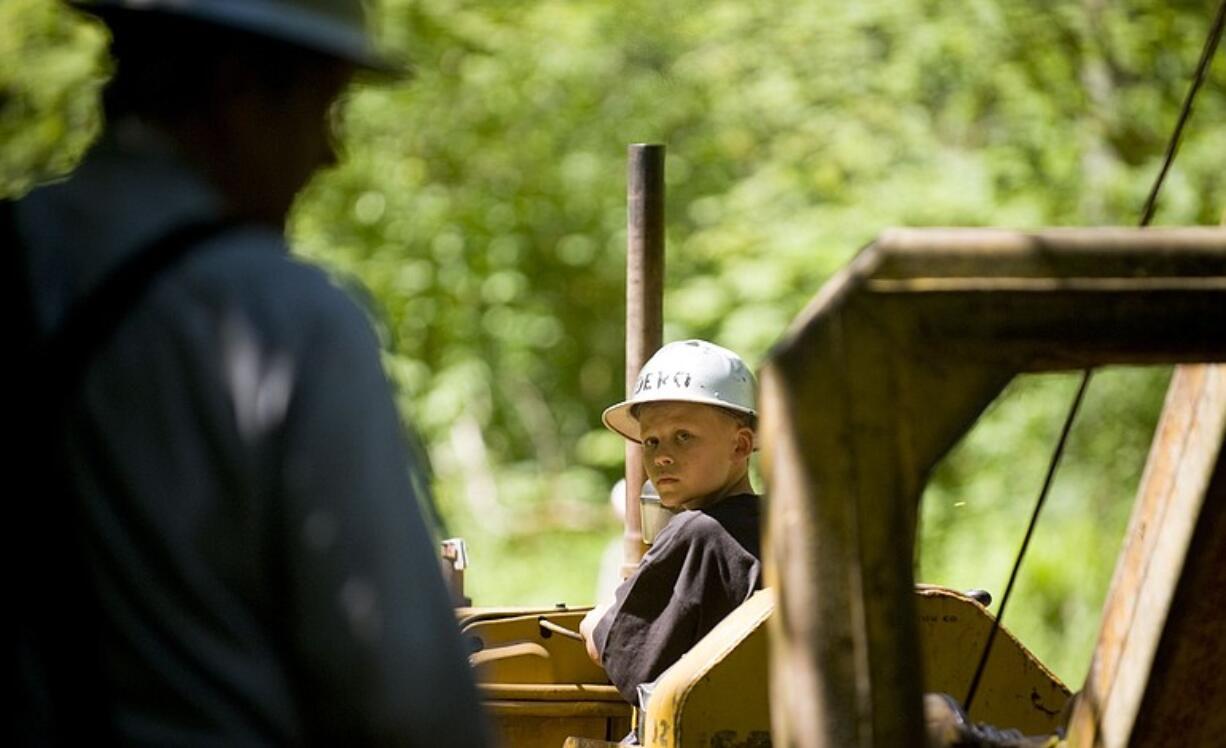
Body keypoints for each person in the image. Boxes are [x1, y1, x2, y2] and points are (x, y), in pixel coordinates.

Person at [6, 1, 488, 744]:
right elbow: (412, 702)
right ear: (239, 89)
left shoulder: (21, 255)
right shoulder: (283, 315)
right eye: (324, 109)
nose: (329, 156)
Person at [579, 340, 763, 707]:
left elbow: (629, 659)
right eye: (650, 441)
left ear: (740, 446)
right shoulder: (780, 523)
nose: (662, 456)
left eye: (683, 436)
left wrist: (595, 623)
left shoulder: (699, 533)